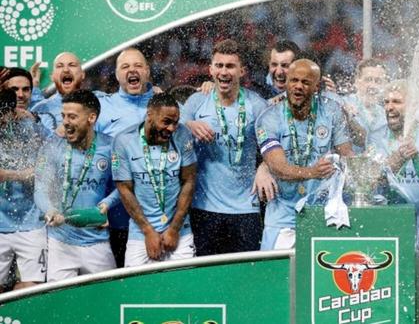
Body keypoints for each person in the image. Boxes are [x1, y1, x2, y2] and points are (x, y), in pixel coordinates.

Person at [182, 39, 269, 255]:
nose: (224, 72)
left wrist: (265, 167)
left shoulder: (256, 105)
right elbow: (172, 134)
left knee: (245, 276)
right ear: (210, 69)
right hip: (204, 207)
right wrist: (188, 125)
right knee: (206, 276)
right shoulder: (195, 102)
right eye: (219, 65)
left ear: (242, 71)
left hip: (246, 208)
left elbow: (275, 144)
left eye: (230, 66)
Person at [255, 59, 353, 250]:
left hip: (322, 213)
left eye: (305, 82)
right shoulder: (269, 118)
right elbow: (278, 168)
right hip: (282, 217)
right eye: (294, 80)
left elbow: (347, 155)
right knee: (277, 276)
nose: (298, 86)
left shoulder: (332, 111)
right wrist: (313, 172)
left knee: (322, 276)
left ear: (317, 87)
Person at [35, 90, 117, 280]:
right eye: (63, 116)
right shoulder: (52, 146)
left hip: (97, 242)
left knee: (105, 303)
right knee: (58, 305)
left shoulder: (111, 147)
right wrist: (50, 210)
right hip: (60, 243)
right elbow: (40, 188)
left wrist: (106, 205)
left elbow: (122, 186)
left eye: (72, 116)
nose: (65, 122)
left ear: (91, 118)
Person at [112, 93, 196, 266]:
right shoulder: (124, 140)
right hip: (140, 233)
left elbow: (189, 180)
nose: (172, 128)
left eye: (175, 122)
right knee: (137, 290)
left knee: (184, 288)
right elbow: (124, 188)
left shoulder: (182, 135)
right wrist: (148, 231)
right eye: (166, 122)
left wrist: (174, 228)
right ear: (149, 115)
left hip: (180, 231)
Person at [368, 80, 419, 250]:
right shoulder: (375, 138)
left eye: (397, 102)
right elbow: (372, 182)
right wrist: (398, 158)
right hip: (387, 233)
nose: (389, 107)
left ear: (413, 105)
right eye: (386, 102)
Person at [96, 47, 157, 268]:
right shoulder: (102, 107)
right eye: (125, 67)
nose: (132, 70)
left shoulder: (164, 105)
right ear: (116, 75)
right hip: (110, 218)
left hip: (153, 220)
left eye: (138, 65)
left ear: (148, 71)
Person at [0, 89, 48, 291]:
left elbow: (56, 149)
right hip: (0, 224)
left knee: (33, 287)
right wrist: (25, 174)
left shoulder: (32, 126)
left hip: (32, 223)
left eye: (3, 114)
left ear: (12, 112)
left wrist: (35, 119)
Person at [333, 58, 389, 153]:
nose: (372, 86)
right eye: (368, 80)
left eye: (378, 81)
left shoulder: (386, 114)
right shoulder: (341, 104)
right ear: (356, 82)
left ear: (385, 85)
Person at [32, 52, 85, 134]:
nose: (66, 70)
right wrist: (34, 90)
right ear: (52, 77)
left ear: (82, 74)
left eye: (72, 65)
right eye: (60, 66)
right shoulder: (40, 109)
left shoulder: (101, 102)